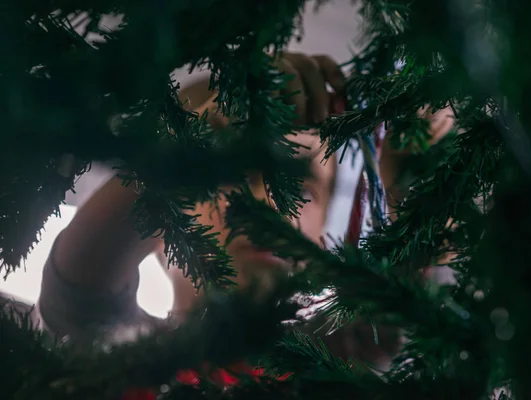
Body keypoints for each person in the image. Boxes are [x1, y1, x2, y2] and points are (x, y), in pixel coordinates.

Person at [12, 52, 453, 366]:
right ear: (160, 239)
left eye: (292, 181)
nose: (259, 201)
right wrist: (200, 139)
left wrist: (410, 182)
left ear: (327, 239)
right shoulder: (123, 358)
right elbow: (80, 287)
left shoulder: (337, 371)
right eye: (220, 176)